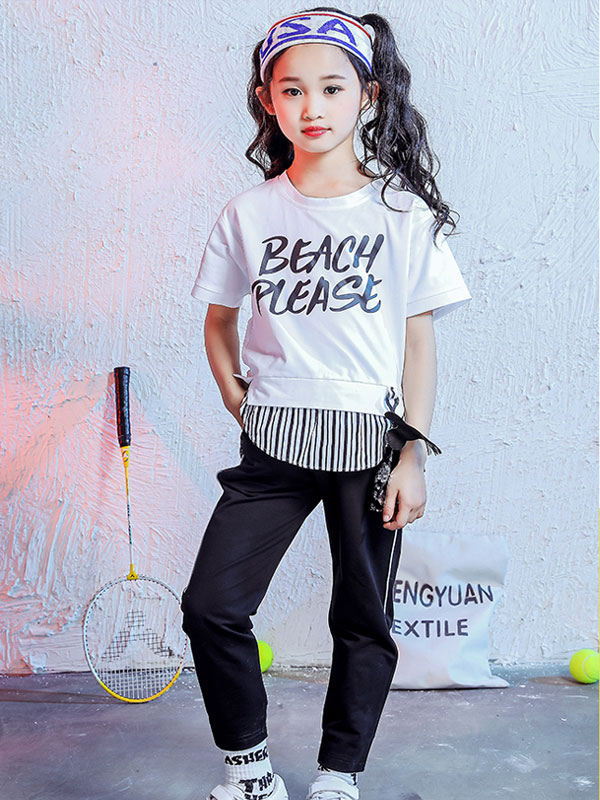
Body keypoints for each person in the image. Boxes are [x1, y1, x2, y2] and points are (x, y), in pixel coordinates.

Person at [181, 6, 472, 800]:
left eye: (333, 88)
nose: (312, 107)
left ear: (368, 97)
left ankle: (340, 772)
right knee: (211, 606)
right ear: (267, 101)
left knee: (362, 617)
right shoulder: (249, 213)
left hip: (371, 444)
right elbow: (218, 320)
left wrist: (412, 455)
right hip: (274, 443)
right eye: (292, 90)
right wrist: (240, 401)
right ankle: (250, 772)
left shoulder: (402, 215)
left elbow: (418, 344)